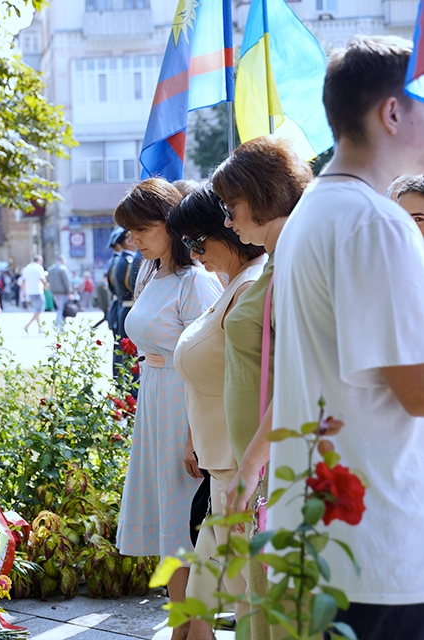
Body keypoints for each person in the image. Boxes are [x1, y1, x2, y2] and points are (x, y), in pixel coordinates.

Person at [270, 36, 424, 639]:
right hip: (377, 549)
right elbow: (415, 390)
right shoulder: (376, 222)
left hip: (330, 544)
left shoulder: (316, 210)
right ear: (391, 112)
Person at [210, 135, 312, 640]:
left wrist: (253, 463)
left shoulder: (292, 254)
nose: (227, 221)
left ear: (263, 193)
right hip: (262, 460)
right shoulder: (277, 255)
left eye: (232, 207)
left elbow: (298, 369)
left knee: (271, 599)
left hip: (275, 462)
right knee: (258, 595)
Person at [113, 179, 222, 640]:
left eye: (141, 230)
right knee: (169, 526)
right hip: (157, 398)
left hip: (184, 402)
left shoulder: (195, 281)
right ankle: (185, 626)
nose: (132, 240)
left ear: (169, 225)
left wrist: (196, 434)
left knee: (186, 524)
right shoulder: (151, 272)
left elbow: (214, 356)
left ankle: (195, 629)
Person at [168, 185, 267, 639]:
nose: (194, 252)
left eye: (196, 240)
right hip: (222, 469)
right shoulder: (234, 283)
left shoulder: (250, 288)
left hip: (238, 470)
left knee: (238, 602)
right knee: (200, 609)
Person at [20, 255, 47, 334]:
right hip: (38, 291)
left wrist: (24, 292)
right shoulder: (39, 268)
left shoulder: (27, 268)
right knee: (40, 310)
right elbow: (42, 279)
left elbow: (23, 281)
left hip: (30, 291)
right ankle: (27, 325)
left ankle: (39, 328)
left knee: (37, 310)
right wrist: (47, 285)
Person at [46, 256, 74, 329]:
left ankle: (57, 324)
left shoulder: (50, 269)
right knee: (61, 309)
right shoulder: (63, 269)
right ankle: (59, 326)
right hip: (63, 292)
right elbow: (66, 282)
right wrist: (69, 292)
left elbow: (48, 280)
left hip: (54, 292)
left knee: (59, 308)